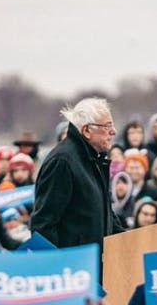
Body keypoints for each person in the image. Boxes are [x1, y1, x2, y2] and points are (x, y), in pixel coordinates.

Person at [31, 97, 124, 250]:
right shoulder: (63, 162)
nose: (113, 131)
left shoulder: (93, 159)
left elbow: (104, 214)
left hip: (96, 263)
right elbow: (43, 224)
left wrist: (129, 240)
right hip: (74, 267)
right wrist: (59, 267)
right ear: (87, 130)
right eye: (107, 126)